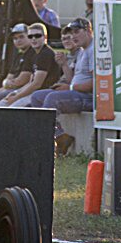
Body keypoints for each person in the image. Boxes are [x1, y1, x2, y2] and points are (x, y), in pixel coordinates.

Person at [30, 18, 94, 155]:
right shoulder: (82, 51)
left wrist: (70, 88)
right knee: (36, 97)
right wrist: (64, 65)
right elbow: (73, 81)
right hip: (77, 93)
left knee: (52, 99)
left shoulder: (94, 51)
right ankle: (61, 136)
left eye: (76, 32)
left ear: (88, 31)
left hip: (89, 98)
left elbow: (95, 84)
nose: (73, 36)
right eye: (72, 33)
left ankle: (49, 143)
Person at [0, 23, 60, 107]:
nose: (33, 39)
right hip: (32, 92)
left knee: (10, 108)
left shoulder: (45, 54)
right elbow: (30, 82)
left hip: (42, 93)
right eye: (30, 36)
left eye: (37, 36)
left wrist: (16, 97)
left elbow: (36, 84)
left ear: (45, 37)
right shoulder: (36, 54)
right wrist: (16, 93)